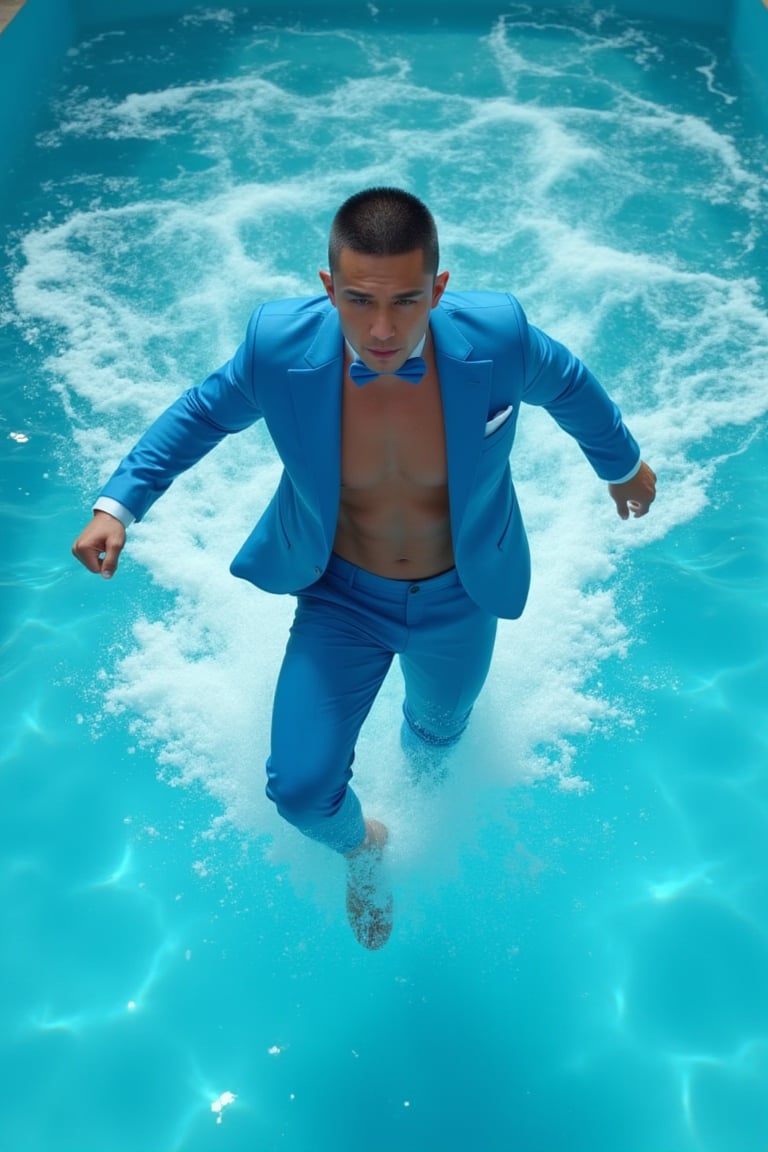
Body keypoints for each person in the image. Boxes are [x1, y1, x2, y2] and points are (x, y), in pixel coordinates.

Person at [72, 187, 656, 950]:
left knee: (437, 738)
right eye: (358, 301)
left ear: (439, 290)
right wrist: (118, 505)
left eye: (407, 301)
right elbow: (199, 414)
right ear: (328, 289)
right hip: (341, 596)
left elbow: (571, 385)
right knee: (301, 791)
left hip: (461, 595)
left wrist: (622, 465)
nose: (381, 329)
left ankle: (424, 774)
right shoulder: (278, 346)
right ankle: (365, 849)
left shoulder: (499, 337)